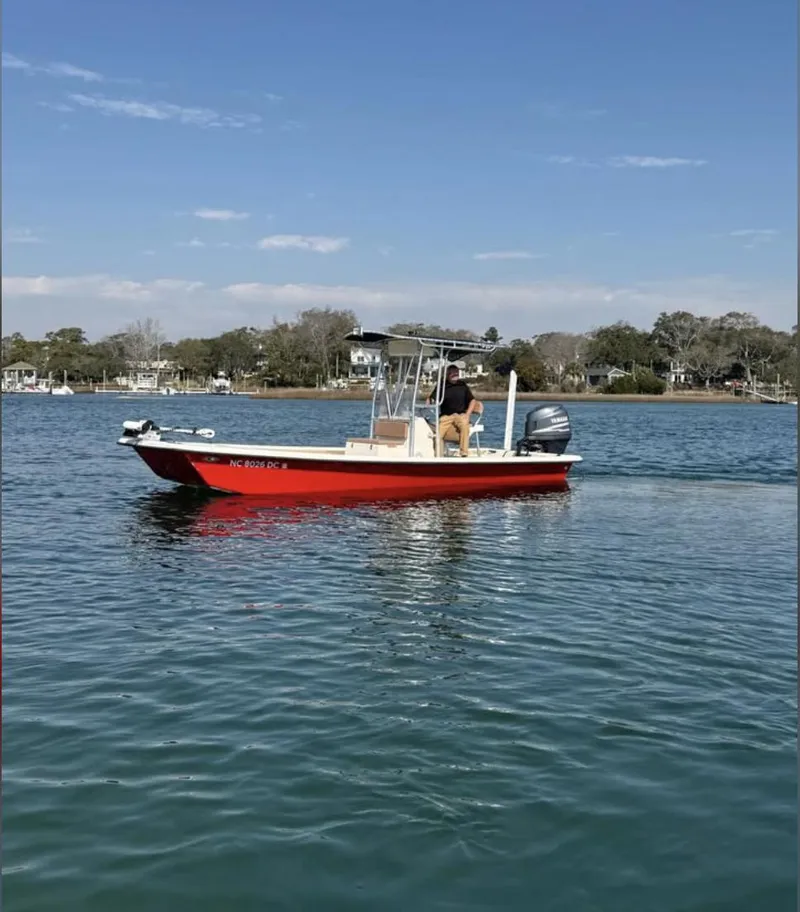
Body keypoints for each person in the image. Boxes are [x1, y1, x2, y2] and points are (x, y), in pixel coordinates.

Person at [426, 364, 478, 457]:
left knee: (465, 426)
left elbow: (472, 400)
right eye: (453, 373)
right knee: (437, 434)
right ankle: (438, 456)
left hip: (460, 414)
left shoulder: (463, 385)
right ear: (448, 374)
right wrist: (428, 403)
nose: (455, 375)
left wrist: (468, 414)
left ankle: (464, 453)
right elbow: (431, 398)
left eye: (457, 373)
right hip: (446, 416)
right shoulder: (442, 385)